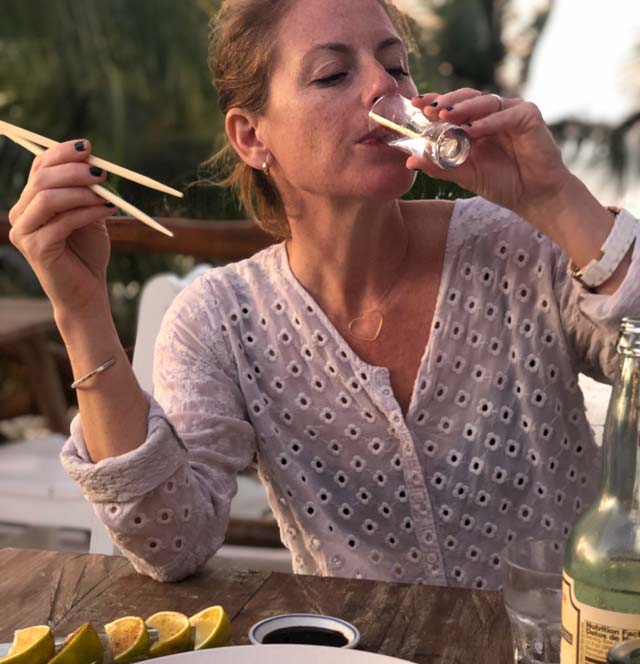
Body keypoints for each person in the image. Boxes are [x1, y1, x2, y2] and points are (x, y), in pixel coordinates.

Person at [7, 0, 640, 589]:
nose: (386, 89)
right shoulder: (221, 321)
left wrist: (556, 199)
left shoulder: (517, 244)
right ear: (253, 137)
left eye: (396, 66)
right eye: (334, 75)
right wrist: (82, 309)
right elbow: (171, 540)